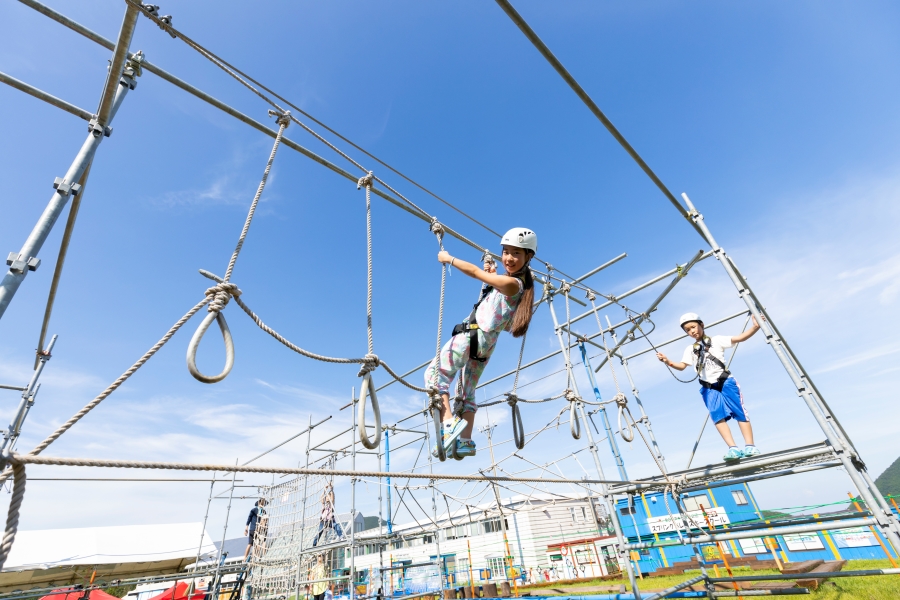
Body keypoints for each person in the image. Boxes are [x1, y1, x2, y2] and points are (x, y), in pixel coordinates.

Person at [424, 228, 537, 459]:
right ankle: (465, 441)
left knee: (434, 375)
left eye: (516, 253)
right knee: (466, 392)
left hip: (471, 336)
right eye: (505, 252)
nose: (508, 258)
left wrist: (449, 259)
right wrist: (492, 278)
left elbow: (475, 272)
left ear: (528, 257)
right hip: (485, 346)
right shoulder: (518, 287)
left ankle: (448, 427)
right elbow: (493, 301)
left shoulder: (513, 284)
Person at [656, 312, 764, 461]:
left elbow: (740, 338)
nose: (692, 331)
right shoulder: (690, 350)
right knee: (717, 417)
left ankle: (750, 445)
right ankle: (733, 448)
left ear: (701, 325)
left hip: (726, 381)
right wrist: (668, 361)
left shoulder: (717, 340)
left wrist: (755, 327)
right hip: (708, 387)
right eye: (688, 330)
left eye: (693, 327)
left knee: (740, 412)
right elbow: (682, 366)